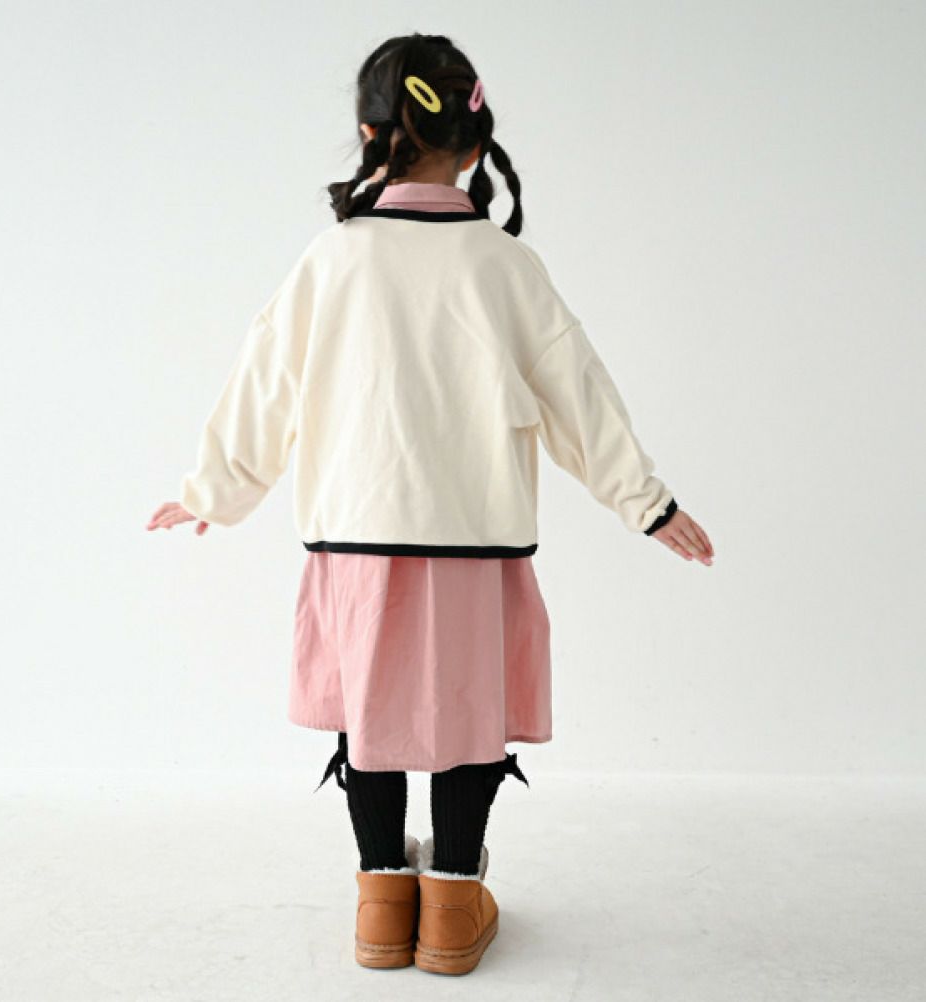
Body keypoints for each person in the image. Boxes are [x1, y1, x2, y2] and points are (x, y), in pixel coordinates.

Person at [146, 31, 714, 975]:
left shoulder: (332, 260)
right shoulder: (505, 266)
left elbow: (266, 383)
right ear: (477, 141)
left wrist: (214, 488)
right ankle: (451, 903)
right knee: (466, 710)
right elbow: (579, 393)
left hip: (355, 540)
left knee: (367, 710)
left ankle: (380, 899)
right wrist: (645, 503)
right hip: (474, 539)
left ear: (371, 134)